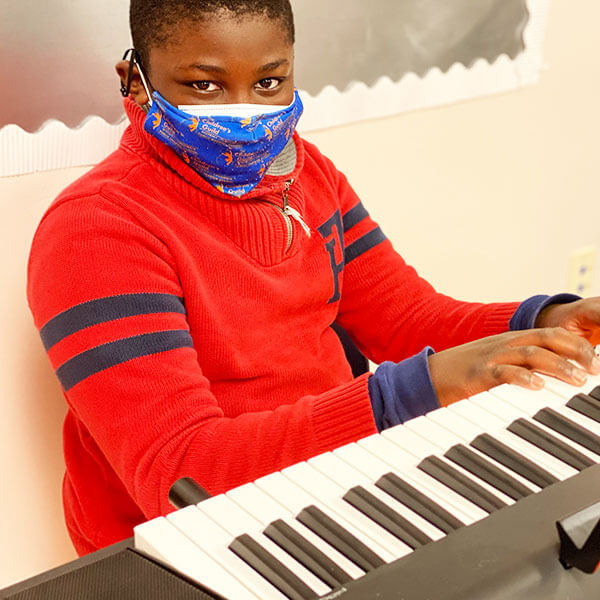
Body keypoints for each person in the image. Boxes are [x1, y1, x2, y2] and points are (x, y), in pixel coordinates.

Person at [27, 0, 600, 557]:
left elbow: (408, 319)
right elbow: (185, 474)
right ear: (134, 79)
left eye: (270, 82)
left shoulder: (310, 174)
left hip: (330, 481)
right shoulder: (93, 231)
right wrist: (418, 389)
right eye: (204, 85)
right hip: (190, 546)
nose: (244, 112)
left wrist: (548, 319)